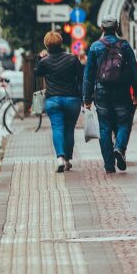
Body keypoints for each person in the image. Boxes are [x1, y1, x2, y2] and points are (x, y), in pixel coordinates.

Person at [83, 17, 137, 172]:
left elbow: (88, 75)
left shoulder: (95, 47)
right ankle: (120, 148)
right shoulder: (125, 45)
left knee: (105, 127)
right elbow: (135, 71)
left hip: (101, 92)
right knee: (124, 122)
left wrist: (87, 98)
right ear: (117, 28)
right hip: (122, 91)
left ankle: (109, 165)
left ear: (102, 28)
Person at [34, 31, 83, 173]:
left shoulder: (44, 62)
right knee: (69, 129)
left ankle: (60, 158)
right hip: (72, 99)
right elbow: (81, 77)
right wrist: (85, 97)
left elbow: (37, 73)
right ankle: (67, 160)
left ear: (46, 44)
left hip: (53, 100)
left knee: (57, 128)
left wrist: (39, 58)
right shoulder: (72, 59)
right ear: (61, 43)